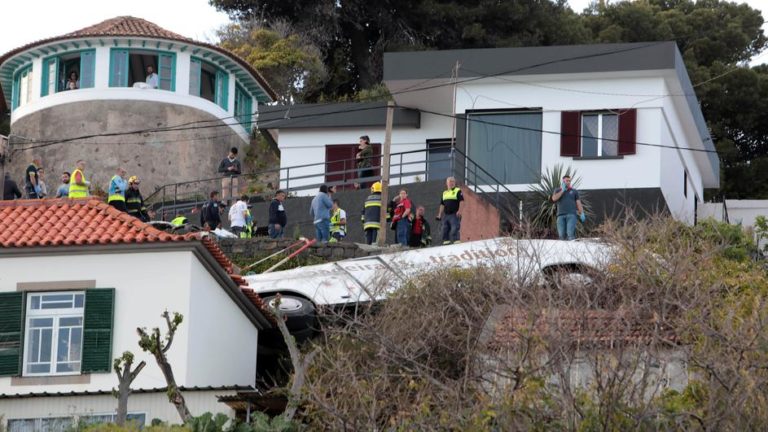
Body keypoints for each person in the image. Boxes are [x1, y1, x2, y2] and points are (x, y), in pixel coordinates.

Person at [551, 175, 585, 241]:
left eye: (569, 181)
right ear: (563, 181)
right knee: (561, 236)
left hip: (571, 215)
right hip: (560, 216)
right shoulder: (557, 190)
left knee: (570, 234)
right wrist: (562, 191)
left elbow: (578, 203)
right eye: (567, 181)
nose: (568, 182)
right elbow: (554, 198)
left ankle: (571, 250)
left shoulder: (574, 191)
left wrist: (582, 213)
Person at [436, 177, 465, 244]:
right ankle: (446, 242)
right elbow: (442, 204)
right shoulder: (444, 193)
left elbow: (462, 202)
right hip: (446, 215)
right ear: (447, 183)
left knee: (455, 228)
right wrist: (439, 214)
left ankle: (456, 241)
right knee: (444, 229)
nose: (451, 183)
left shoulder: (458, 190)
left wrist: (460, 211)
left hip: (455, 214)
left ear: (455, 183)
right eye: (450, 181)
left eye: (453, 181)